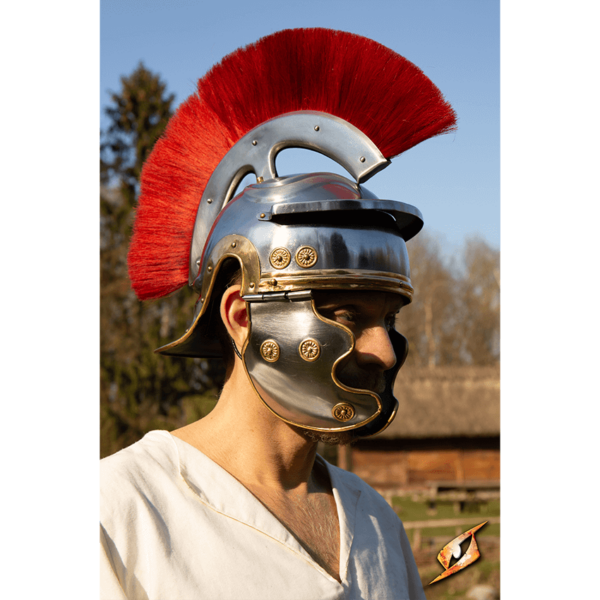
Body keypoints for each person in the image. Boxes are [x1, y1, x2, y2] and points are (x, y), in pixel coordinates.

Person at [99, 28, 456, 600]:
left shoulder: (377, 522)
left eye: (389, 318)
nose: (385, 350)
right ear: (242, 315)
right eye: (347, 313)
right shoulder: (121, 514)